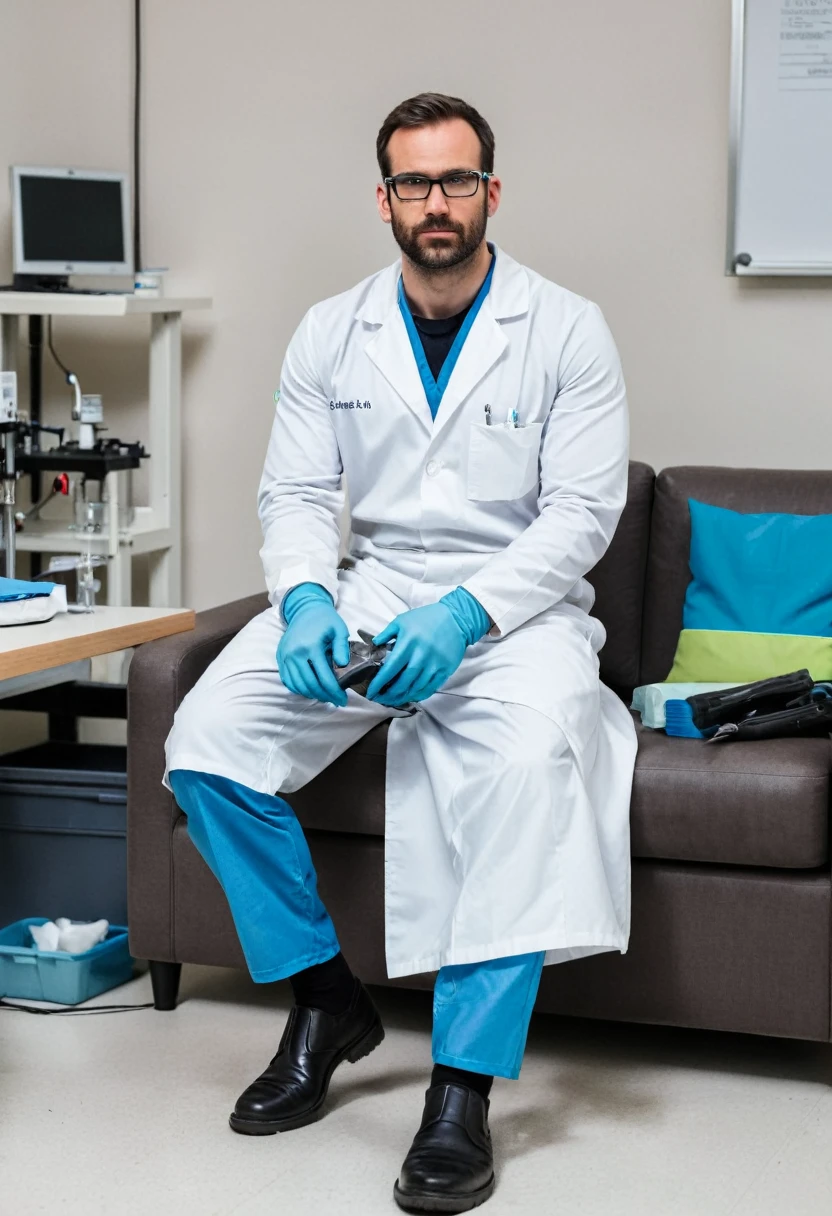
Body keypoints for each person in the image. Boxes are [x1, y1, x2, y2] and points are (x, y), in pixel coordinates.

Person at [165, 91, 637, 1213]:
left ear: (491, 192)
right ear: (383, 198)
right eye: (414, 182)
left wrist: (467, 614)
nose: (436, 202)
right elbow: (295, 491)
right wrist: (305, 602)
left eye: (456, 179)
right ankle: (328, 1002)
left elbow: (580, 515)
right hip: (368, 595)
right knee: (205, 741)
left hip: (516, 619)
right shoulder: (332, 330)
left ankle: (460, 1092)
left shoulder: (566, 328)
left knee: (527, 769)